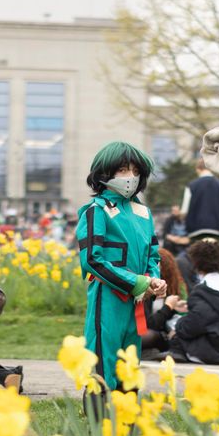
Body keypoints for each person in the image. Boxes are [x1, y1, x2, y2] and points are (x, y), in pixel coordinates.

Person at [75, 142, 165, 393]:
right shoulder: (96, 211)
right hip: (108, 298)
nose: (130, 177)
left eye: (135, 171)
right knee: (102, 362)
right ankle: (98, 416)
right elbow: (92, 260)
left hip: (137, 301)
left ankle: (127, 415)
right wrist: (137, 283)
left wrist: (154, 279)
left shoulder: (144, 213)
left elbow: (153, 255)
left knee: (130, 365)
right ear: (105, 173)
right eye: (123, 170)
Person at [164, 240, 219, 365]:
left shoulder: (202, 290)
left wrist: (178, 326)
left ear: (196, 262)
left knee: (175, 327)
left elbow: (194, 325)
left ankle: (177, 352)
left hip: (216, 351)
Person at [141, 247, 187, 358]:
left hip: (167, 332)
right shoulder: (145, 286)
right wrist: (168, 307)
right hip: (151, 329)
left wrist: (173, 308)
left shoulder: (177, 287)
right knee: (146, 335)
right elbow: (150, 324)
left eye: (156, 264)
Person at [182, 158, 219, 242]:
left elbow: (185, 210)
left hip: (195, 230)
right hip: (218, 229)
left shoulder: (191, 185)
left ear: (198, 169)